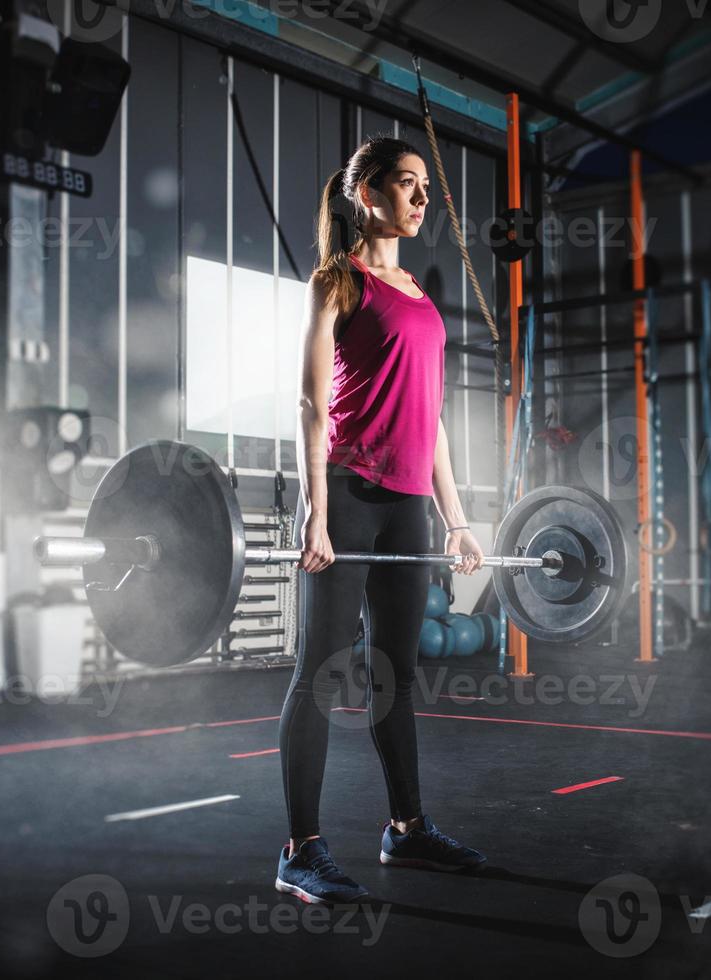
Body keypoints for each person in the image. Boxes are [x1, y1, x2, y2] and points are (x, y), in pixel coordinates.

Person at [274, 136, 488, 905]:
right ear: (366, 194)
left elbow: (428, 419)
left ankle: (407, 829)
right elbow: (310, 402)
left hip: (406, 509)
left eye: (425, 186)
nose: (423, 198)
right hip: (350, 495)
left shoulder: (422, 297)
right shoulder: (337, 282)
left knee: (396, 676)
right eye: (406, 184)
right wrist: (316, 514)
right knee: (320, 676)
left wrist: (456, 520)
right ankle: (300, 849)